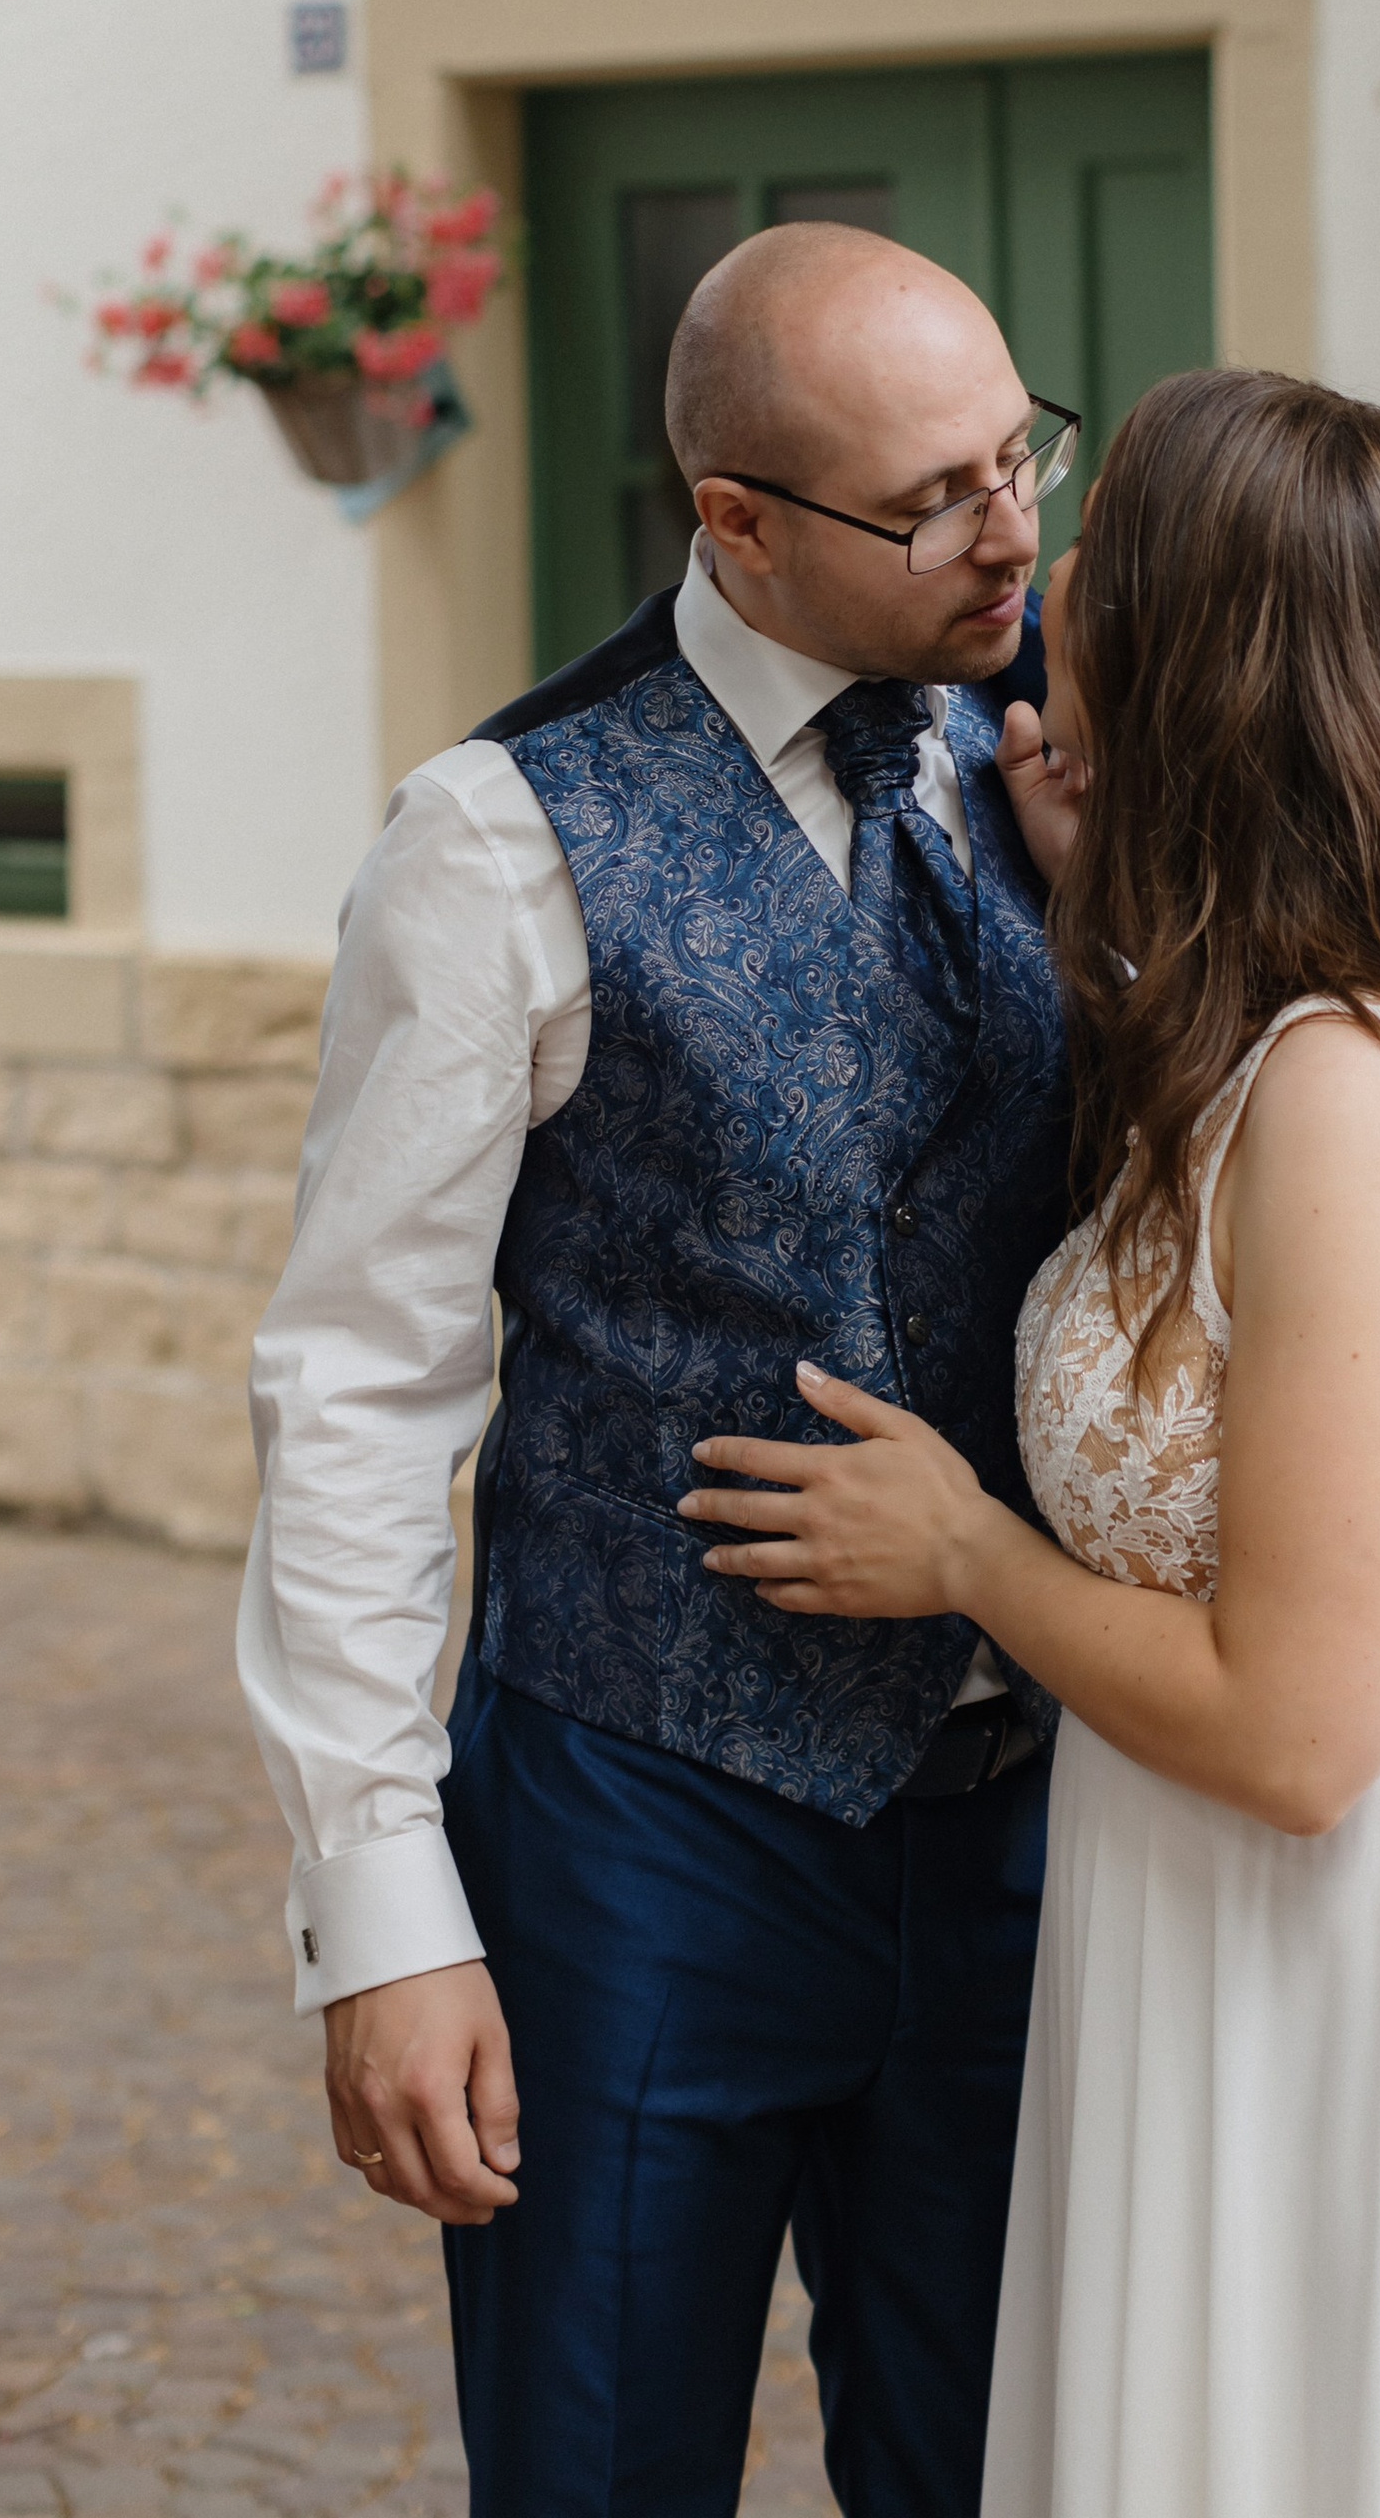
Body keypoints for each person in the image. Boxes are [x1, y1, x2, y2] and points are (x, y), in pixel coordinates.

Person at [682, 367, 1380, 2518]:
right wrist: (1079, 897)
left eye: (1102, 568)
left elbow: (1300, 1725)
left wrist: (962, 1551)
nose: (1050, 596)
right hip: (1225, 1920)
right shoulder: (1263, 1032)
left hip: (1378, 1933)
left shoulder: (1338, 1089)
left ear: (1208, 668)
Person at [238, 225, 1083, 2518]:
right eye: (930, 497)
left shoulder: (1056, 773)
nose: (1009, 531)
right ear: (732, 521)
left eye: (1020, 455)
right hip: (640, 1823)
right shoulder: (495, 840)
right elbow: (359, 1386)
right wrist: (382, 1911)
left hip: (1025, 1836)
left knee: (1002, 2474)